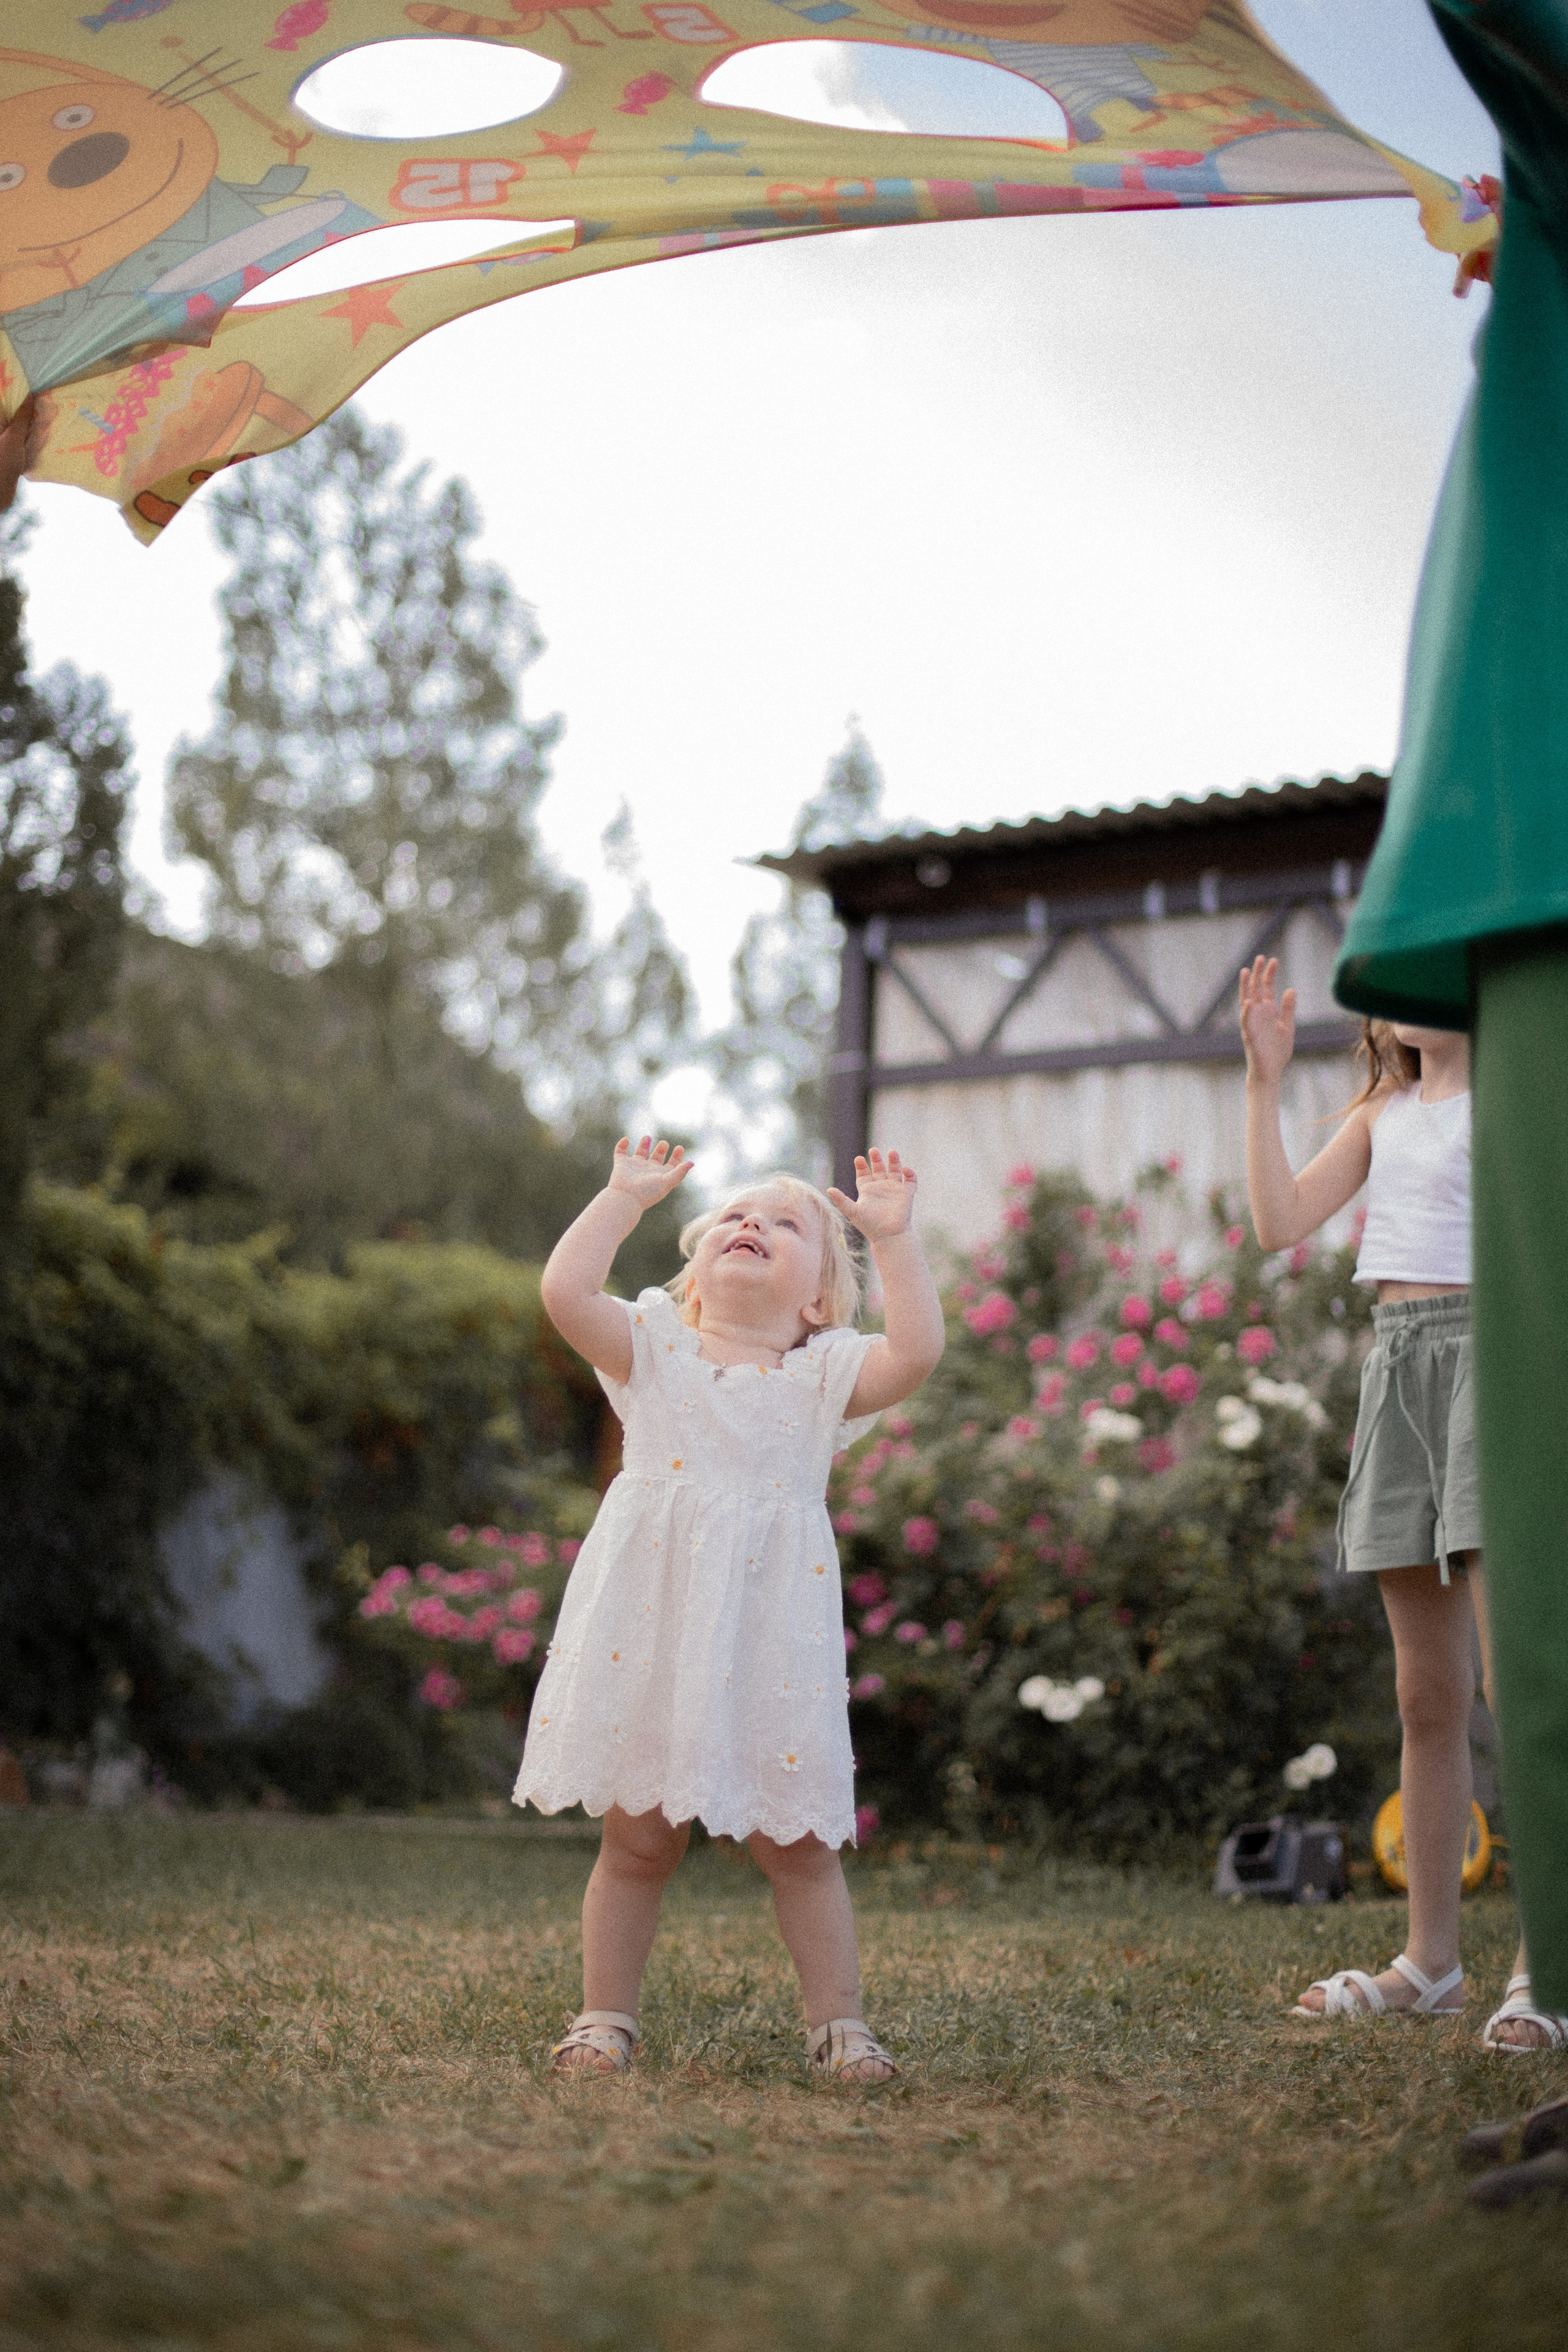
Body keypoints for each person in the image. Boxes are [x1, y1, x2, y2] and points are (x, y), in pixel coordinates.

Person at [514, 1136, 944, 2083]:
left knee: (798, 1843)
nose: (750, 1223)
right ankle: (603, 2018)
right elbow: (564, 1294)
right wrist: (622, 1199)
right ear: (698, 1279)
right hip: (651, 1637)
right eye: (735, 1218)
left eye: (785, 1224)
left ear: (819, 1303)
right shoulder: (653, 1346)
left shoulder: (826, 1376)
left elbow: (916, 1351)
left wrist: (894, 1239)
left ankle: (839, 2027)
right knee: (635, 1839)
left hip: (769, 1646)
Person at [1238, 954, 1552, 2042]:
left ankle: (1544, 1967)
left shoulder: (1529, 1085)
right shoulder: (1382, 1110)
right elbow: (1280, 1222)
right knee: (1428, 1697)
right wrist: (1264, 1081)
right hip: (1399, 1367)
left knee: (1523, 1692)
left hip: (1499, 1364)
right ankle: (1431, 1962)